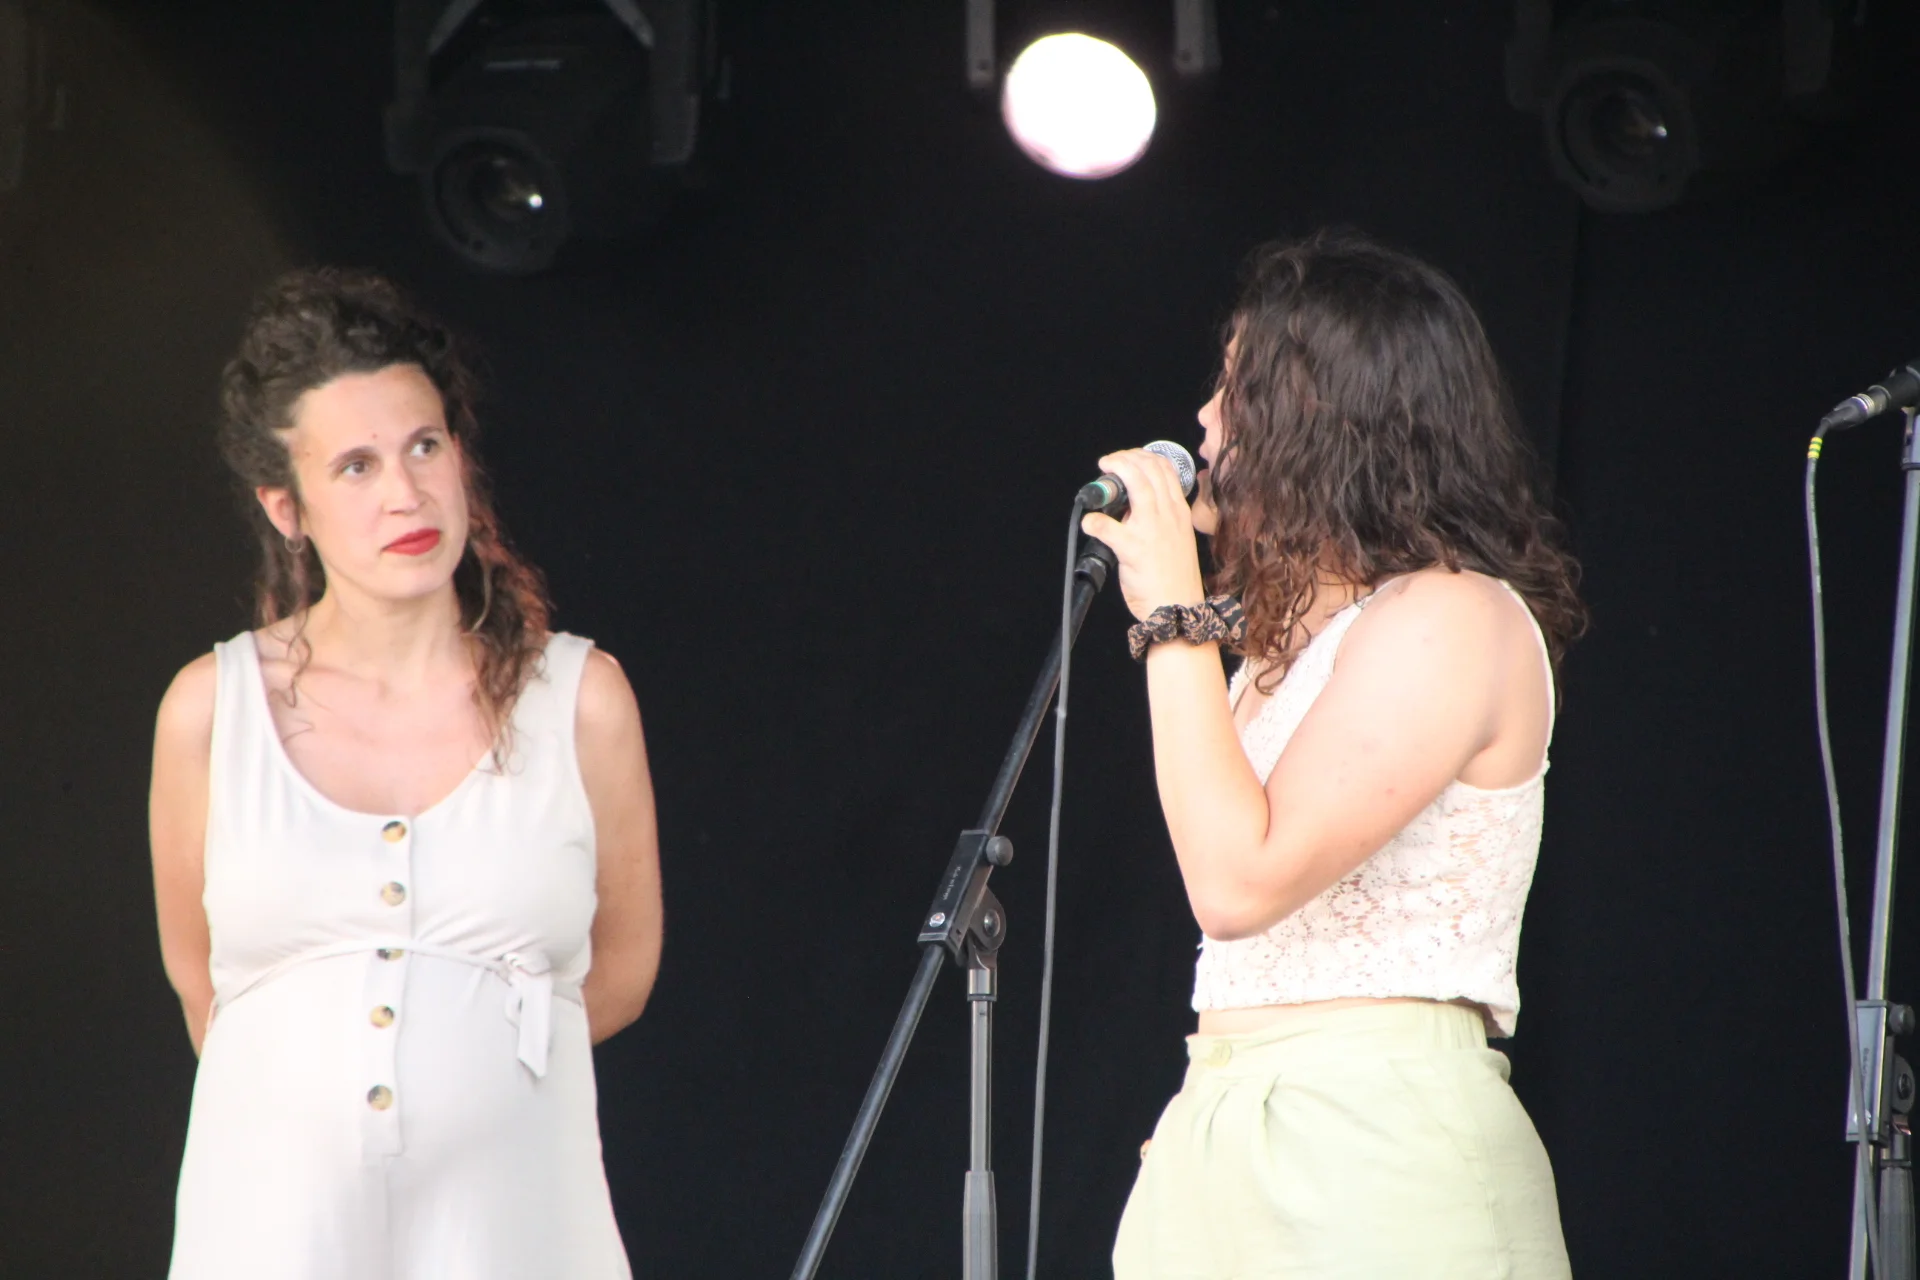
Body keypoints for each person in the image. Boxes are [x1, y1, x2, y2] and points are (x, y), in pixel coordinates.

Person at [1085, 230, 1582, 1279]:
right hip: (1225, 1121)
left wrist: (1172, 613)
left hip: (1376, 1143)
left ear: (1323, 416)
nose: (1204, 420)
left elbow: (1238, 882)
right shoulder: (1274, 655)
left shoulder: (1453, 615)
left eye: (1235, 391)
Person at [148, 269, 662, 1279]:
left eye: (425, 445)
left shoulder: (580, 698)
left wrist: (474, 1066)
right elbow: (201, 978)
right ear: (286, 506)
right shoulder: (212, 709)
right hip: (270, 1227)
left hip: (514, 1221)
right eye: (356, 465)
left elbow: (625, 966)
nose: (405, 492)